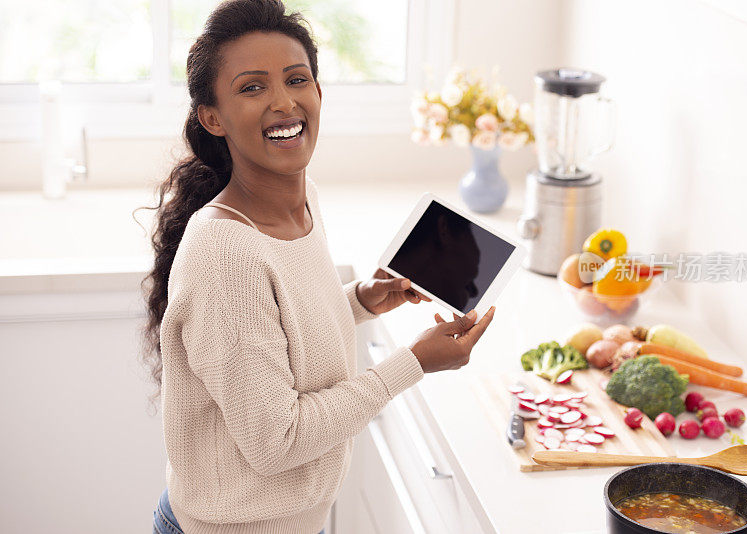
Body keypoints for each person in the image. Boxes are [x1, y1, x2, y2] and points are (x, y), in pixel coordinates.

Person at [140, 1, 495, 533]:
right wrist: (414, 363)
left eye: (296, 79)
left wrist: (357, 299)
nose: (283, 103)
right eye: (252, 87)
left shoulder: (300, 203)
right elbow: (277, 441)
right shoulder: (225, 256)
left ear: (319, 92)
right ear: (212, 117)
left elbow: (281, 331)